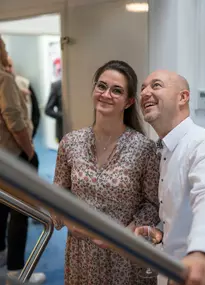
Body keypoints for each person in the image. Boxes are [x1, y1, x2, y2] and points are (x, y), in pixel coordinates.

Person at [52, 60, 160, 285]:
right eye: (101, 86)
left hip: (125, 255)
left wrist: (125, 234)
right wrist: (69, 221)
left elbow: (153, 204)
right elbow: (56, 196)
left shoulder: (145, 149)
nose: (106, 94)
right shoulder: (71, 143)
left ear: (129, 102)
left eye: (116, 90)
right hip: (81, 254)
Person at [136, 70, 205, 285]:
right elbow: (182, 208)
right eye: (142, 88)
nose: (145, 93)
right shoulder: (166, 149)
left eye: (156, 85)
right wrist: (163, 233)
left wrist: (201, 253)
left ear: (183, 97)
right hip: (174, 272)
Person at [0, 35, 46, 283]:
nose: (6, 50)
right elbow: (15, 122)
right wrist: (30, 152)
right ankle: (17, 272)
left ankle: (1, 255)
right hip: (14, 158)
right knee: (21, 211)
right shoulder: (4, 79)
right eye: (4, 46)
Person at [5, 57, 41, 139]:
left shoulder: (24, 83)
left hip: (27, 136)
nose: (7, 69)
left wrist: (31, 135)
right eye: (4, 67)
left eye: (10, 66)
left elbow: (36, 113)